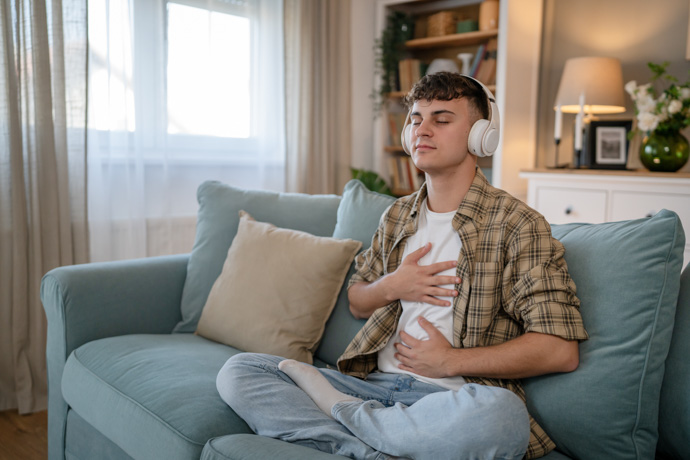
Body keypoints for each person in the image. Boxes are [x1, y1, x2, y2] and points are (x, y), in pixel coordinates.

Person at [216, 72, 588, 460]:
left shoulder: (517, 224)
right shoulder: (396, 215)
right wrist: (394, 285)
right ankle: (373, 441)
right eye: (415, 119)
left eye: (442, 120)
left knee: (503, 417)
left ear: (482, 135)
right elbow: (358, 302)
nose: (422, 129)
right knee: (241, 371)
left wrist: (449, 361)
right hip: (371, 386)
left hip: (452, 400)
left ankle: (345, 421)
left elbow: (560, 350)